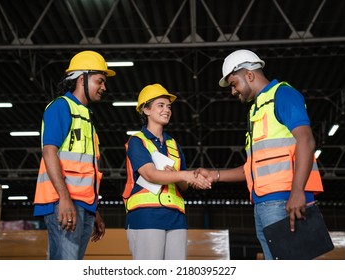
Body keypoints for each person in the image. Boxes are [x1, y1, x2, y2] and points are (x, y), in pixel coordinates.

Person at [195, 49, 324, 260]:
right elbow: (252, 168)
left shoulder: (282, 95)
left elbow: (306, 140)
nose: (233, 91)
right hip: (264, 205)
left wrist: (298, 191)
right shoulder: (257, 110)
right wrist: (215, 175)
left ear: (249, 75)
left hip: (286, 202)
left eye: (234, 84)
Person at [33, 50, 116, 260]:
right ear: (82, 79)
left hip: (82, 205)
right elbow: (49, 152)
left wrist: (93, 210)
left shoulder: (87, 118)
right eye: (100, 81)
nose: (104, 87)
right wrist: (64, 198)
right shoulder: (61, 107)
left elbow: (87, 172)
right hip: (64, 203)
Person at [122, 83, 212, 260]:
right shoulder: (137, 141)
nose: (167, 110)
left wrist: (185, 177)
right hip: (146, 216)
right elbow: (150, 174)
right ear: (146, 110)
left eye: (169, 106)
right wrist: (183, 174)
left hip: (176, 218)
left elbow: (184, 186)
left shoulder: (173, 144)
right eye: (160, 105)